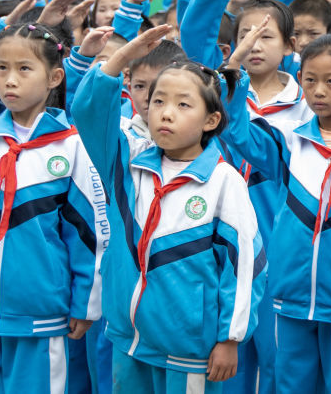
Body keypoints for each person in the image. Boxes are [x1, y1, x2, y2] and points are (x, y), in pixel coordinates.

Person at [72, 26, 266, 393]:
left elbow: (243, 265)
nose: (165, 113)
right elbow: (88, 111)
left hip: (189, 349)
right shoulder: (127, 162)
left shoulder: (223, 180)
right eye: (158, 101)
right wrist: (121, 56)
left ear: (211, 120)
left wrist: (230, 337)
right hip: (130, 340)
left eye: (183, 105)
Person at [0, 0, 106, 393]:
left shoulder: (71, 146)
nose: (9, 79)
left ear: (54, 78)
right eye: (2, 67)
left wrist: (86, 303)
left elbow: (89, 233)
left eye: (24, 68)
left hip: (38, 317)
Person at [221, 27, 331, 393]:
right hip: (290, 302)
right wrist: (233, 72)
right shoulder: (291, 140)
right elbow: (236, 133)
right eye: (310, 80)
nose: (318, 91)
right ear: (299, 78)